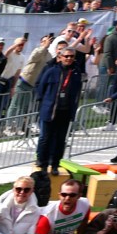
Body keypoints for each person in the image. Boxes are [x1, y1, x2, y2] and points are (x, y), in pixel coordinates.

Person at [35, 47, 83, 176]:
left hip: (65, 111)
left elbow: (77, 93)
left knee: (60, 140)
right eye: (66, 56)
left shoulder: (76, 73)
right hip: (50, 110)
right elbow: (40, 88)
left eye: (71, 56)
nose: (69, 58)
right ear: (60, 57)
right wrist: (43, 103)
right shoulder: (51, 71)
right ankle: (43, 164)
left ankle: (55, 164)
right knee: (46, 138)